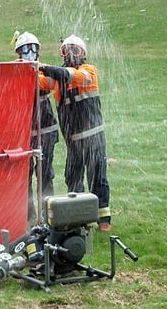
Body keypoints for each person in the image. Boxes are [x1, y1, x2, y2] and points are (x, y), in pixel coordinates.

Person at [38, 35, 112, 232]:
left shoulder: (89, 71)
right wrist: (28, 67)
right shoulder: (57, 80)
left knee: (98, 177)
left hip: (93, 138)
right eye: (66, 51)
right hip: (74, 143)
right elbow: (39, 83)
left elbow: (73, 75)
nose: (71, 55)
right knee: (73, 178)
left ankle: (104, 220)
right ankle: (79, 219)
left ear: (83, 54)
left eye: (75, 50)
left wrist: (44, 67)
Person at [12, 32, 59, 223]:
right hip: (23, 134)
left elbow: (49, 84)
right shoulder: (12, 71)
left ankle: (48, 215)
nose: (30, 52)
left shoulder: (45, 71)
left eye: (33, 49)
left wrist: (30, 72)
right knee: (24, 176)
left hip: (46, 132)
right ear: (18, 53)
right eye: (25, 49)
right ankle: (29, 216)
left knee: (45, 174)